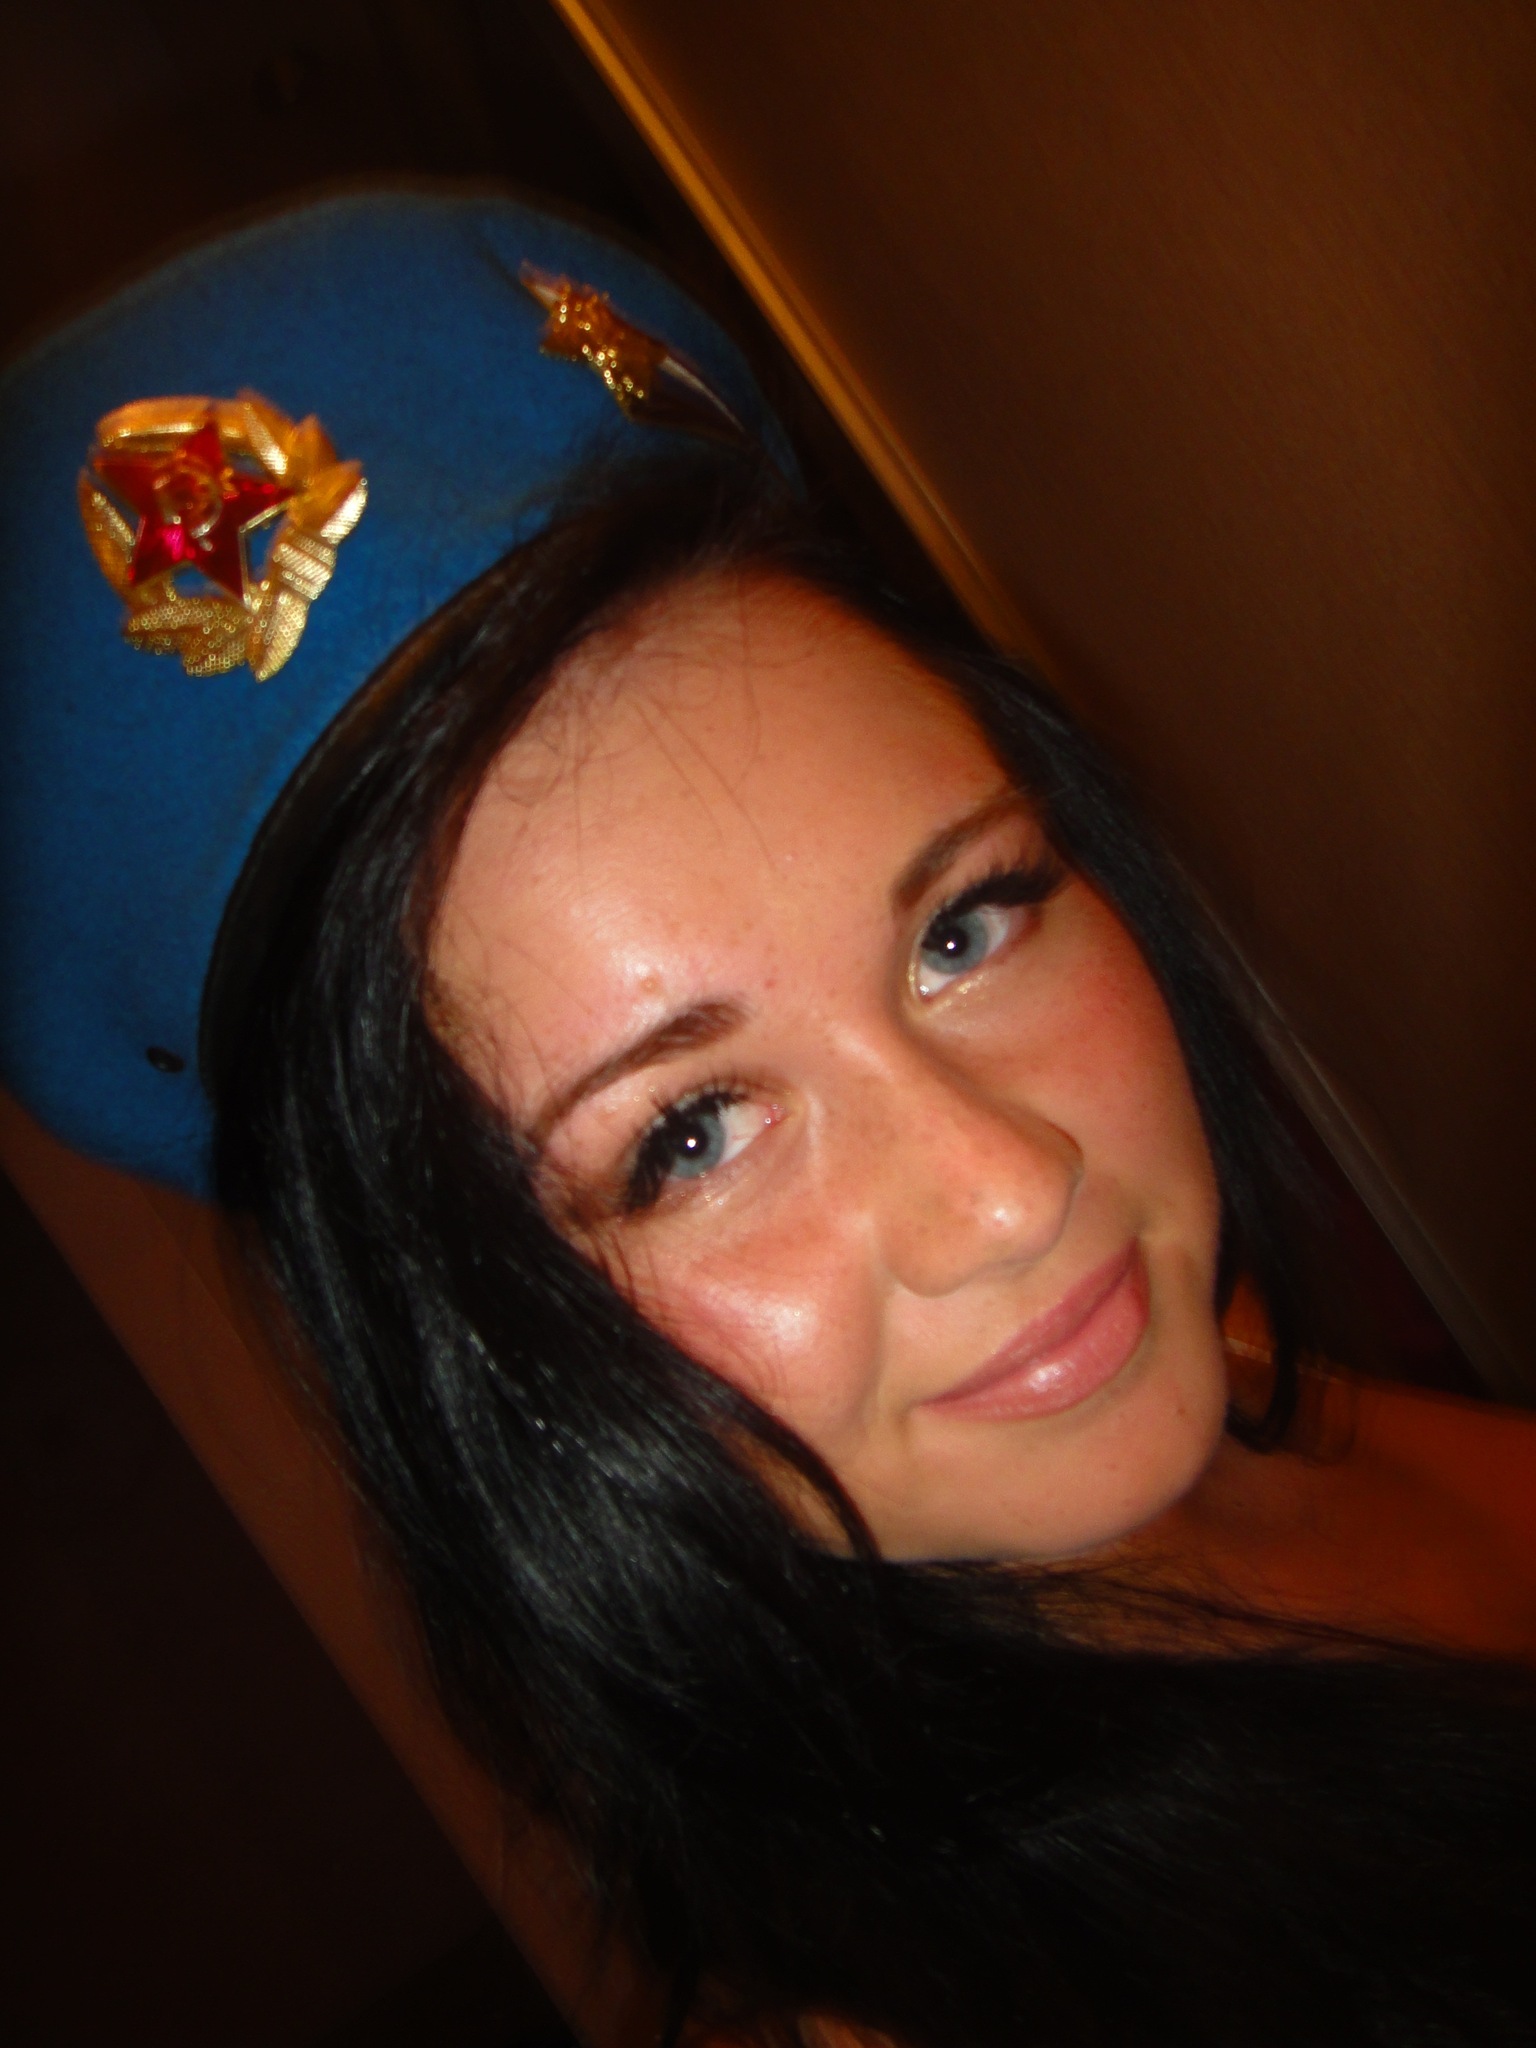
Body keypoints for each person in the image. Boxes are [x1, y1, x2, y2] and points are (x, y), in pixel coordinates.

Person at [4, 187, 1536, 2048]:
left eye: (964, 927)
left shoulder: (1210, 1367)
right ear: (482, 1356)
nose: (1012, 1192)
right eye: (689, 1137)